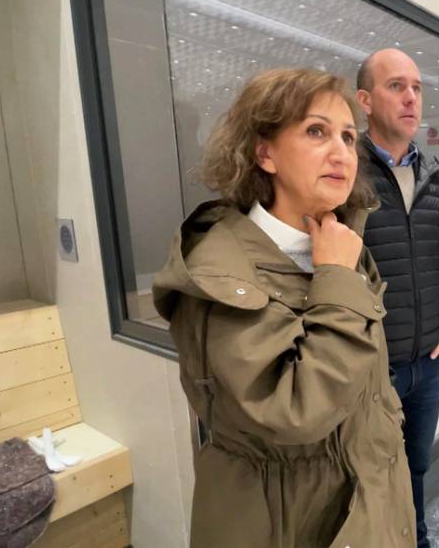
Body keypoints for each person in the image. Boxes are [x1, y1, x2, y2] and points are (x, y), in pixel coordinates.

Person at [153, 68, 416, 548]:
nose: (341, 152)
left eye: (348, 136)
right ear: (265, 153)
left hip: (371, 506)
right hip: (289, 525)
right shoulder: (222, 274)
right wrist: (337, 278)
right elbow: (296, 409)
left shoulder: (338, 244)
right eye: (316, 131)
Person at [354, 48, 439, 548]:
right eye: (396, 86)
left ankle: (416, 539)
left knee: (417, 467)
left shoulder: (435, 178)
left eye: (417, 88)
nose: (410, 98)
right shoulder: (347, 177)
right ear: (365, 100)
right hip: (373, 371)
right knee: (369, 476)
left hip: (428, 363)